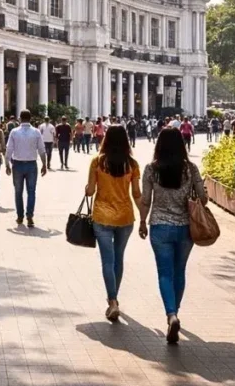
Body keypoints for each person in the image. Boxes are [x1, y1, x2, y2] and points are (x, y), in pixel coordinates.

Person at [138, 128, 207, 344]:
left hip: (159, 226)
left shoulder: (151, 169)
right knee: (179, 272)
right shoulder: (191, 169)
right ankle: (175, 312)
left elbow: (146, 200)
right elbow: (203, 199)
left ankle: (171, 315)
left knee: (164, 274)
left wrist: (141, 221)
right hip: (186, 227)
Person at [85, 126, 143, 322]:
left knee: (107, 261)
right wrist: (144, 217)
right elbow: (136, 194)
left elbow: (91, 191)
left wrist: (88, 187)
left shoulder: (98, 162)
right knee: (119, 259)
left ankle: (112, 301)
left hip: (102, 216)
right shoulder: (132, 164)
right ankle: (114, 299)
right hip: (125, 217)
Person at [5, 109, 47, 227]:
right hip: (31, 165)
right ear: (30, 118)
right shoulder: (36, 132)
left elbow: (9, 149)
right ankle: (29, 216)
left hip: (17, 164)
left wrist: (7, 164)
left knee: (18, 192)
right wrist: (45, 164)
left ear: (20, 118)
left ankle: (20, 216)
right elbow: (42, 150)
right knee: (31, 191)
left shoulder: (14, 132)